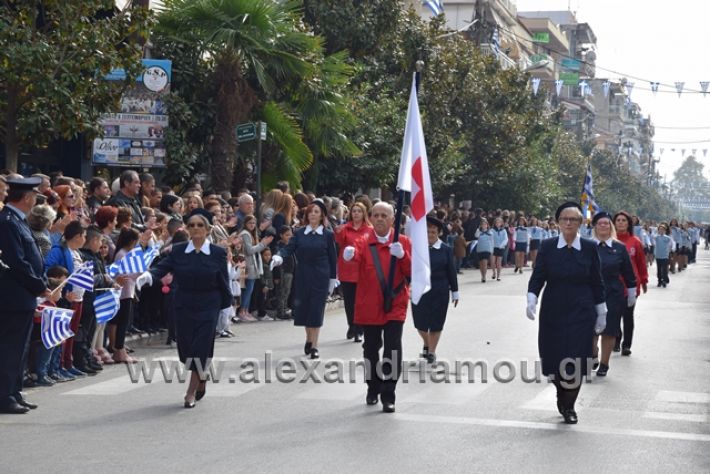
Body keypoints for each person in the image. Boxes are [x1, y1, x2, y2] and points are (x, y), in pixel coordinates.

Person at [137, 208, 232, 408]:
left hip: (209, 304)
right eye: (191, 225)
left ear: (207, 230)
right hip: (184, 303)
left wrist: (225, 306)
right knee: (186, 349)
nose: (195, 228)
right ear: (187, 229)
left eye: (200, 225)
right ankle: (202, 373)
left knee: (201, 347)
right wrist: (149, 275)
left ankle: (190, 392)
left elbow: (223, 279)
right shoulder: (179, 250)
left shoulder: (218, 253)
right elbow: (163, 266)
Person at [526, 202, 606, 424]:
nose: (568, 223)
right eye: (564, 219)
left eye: (573, 219)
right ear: (558, 222)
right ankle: (561, 393)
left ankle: (569, 406)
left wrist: (601, 311)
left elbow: (597, 281)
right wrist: (532, 297)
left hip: (582, 310)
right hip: (554, 310)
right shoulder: (548, 246)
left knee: (577, 360)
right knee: (553, 360)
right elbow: (538, 276)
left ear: (581, 223)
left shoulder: (590, 248)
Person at [342, 202, 411, 413]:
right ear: (371, 218)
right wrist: (349, 254)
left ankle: (389, 394)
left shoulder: (403, 242)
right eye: (376, 215)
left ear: (392, 220)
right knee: (371, 349)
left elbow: (412, 273)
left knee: (392, 348)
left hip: (395, 303)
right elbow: (356, 254)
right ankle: (373, 387)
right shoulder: (364, 241)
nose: (380, 219)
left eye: (384, 215)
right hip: (370, 304)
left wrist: (403, 256)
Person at [0, 176, 49, 414]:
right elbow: (16, 262)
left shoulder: (18, 221)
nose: (34, 201)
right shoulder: (8, 222)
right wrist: (38, 285)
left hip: (23, 295)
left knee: (20, 347)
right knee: (10, 347)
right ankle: (5, 395)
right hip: (14, 295)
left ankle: (14, 391)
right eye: (33, 197)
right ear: (27, 198)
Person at [271, 200, 338, 359]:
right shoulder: (300, 233)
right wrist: (279, 256)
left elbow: (332, 258)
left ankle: (314, 345)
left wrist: (332, 279)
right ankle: (309, 338)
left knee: (316, 309)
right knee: (306, 309)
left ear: (322, 215)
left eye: (316, 211)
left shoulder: (328, 234)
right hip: (303, 274)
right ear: (307, 215)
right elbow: (289, 248)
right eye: (311, 211)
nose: (313, 214)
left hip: (321, 275)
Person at [590, 212, 636, 377]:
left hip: (613, 293)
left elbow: (628, 272)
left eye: (607, 223)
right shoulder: (587, 246)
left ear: (611, 227)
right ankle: (593, 355)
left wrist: (632, 291)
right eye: (600, 223)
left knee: (609, 330)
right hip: (590, 293)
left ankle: (604, 363)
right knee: (591, 329)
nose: (603, 226)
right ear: (595, 227)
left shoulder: (619, 247)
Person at [412, 216, 458, 364]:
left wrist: (455, 292)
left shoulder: (446, 249)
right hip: (420, 289)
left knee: (437, 322)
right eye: (427, 231)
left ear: (438, 233)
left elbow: (451, 271)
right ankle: (427, 342)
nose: (430, 234)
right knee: (420, 322)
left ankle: (431, 352)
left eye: (433, 232)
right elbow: (409, 269)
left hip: (440, 290)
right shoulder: (416, 247)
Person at [335, 202, 373, 342]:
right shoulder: (345, 228)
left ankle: (359, 328)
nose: (356, 213)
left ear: (364, 213)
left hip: (364, 271)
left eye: (359, 211)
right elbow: (338, 242)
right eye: (354, 211)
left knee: (361, 302)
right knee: (349, 302)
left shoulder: (370, 230)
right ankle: (351, 325)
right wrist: (337, 231)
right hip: (347, 270)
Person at [612, 211, 648, 356]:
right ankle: (616, 339)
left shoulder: (635, 242)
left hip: (631, 285)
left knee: (628, 315)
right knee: (614, 314)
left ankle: (626, 344)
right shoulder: (609, 241)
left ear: (628, 223)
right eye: (618, 220)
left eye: (623, 220)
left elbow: (641, 263)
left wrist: (644, 280)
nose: (620, 223)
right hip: (613, 285)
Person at [475, 218, 494, 282]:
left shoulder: (490, 232)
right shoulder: (478, 231)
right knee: (481, 264)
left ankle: (484, 277)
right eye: (482, 224)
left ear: (487, 225)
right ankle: (482, 275)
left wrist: (492, 250)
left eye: (485, 224)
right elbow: (476, 236)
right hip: (480, 249)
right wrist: (479, 229)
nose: (484, 225)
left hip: (487, 249)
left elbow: (492, 242)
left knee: (485, 263)